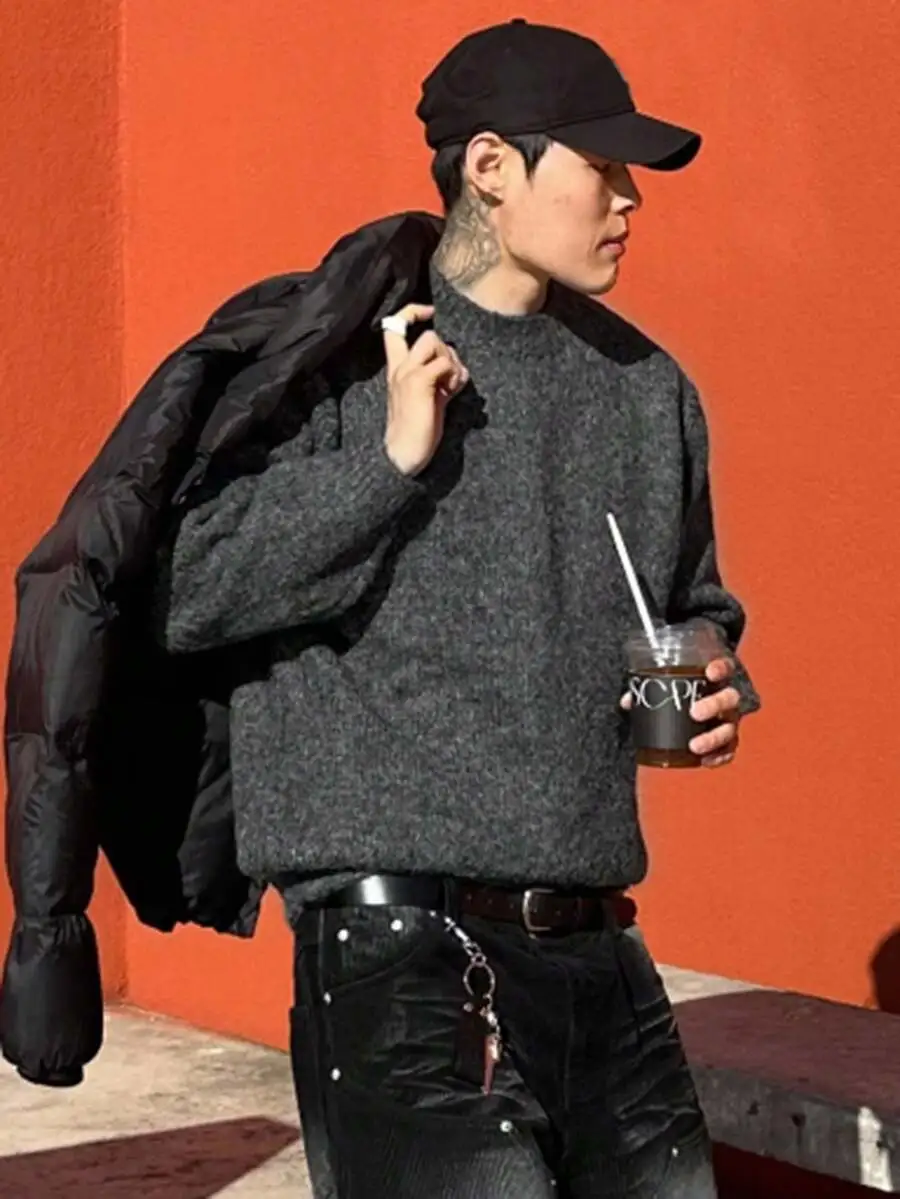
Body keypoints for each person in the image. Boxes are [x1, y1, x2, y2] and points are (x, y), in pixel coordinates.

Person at [157, 19, 759, 1199]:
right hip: (400, 965)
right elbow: (191, 589)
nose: (630, 199)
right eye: (602, 166)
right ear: (491, 165)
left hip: (600, 954)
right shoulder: (336, 362)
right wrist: (385, 462)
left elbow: (691, 604)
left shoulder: (649, 391)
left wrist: (714, 675)